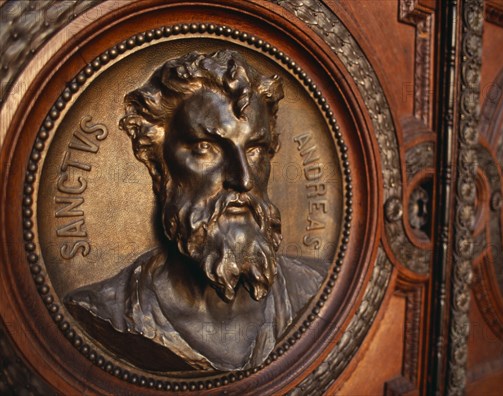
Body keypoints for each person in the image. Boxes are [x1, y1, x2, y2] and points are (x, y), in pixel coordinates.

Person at [65, 49, 328, 371]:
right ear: (157, 160)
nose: (242, 179)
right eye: (206, 148)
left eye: (255, 149)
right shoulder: (107, 311)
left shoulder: (316, 289)